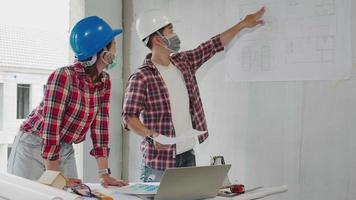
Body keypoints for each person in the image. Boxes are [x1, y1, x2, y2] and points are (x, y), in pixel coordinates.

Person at [122, 7, 265, 182]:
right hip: (160, 163)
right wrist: (150, 134)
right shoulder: (141, 76)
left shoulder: (183, 63)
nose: (175, 35)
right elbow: (129, 118)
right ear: (158, 39)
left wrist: (242, 24)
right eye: (171, 31)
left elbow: (212, 46)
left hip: (187, 156)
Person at [8, 16, 127, 188]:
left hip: (63, 146)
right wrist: (55, 177)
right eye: (113, 46)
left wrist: (104, 173)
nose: (116, 51)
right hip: (33, 144)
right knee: (27, 194)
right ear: (104, 53)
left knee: (73, 194)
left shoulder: (104, 81)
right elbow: (51, 129)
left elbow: (100, 128)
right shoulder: (63, 77)